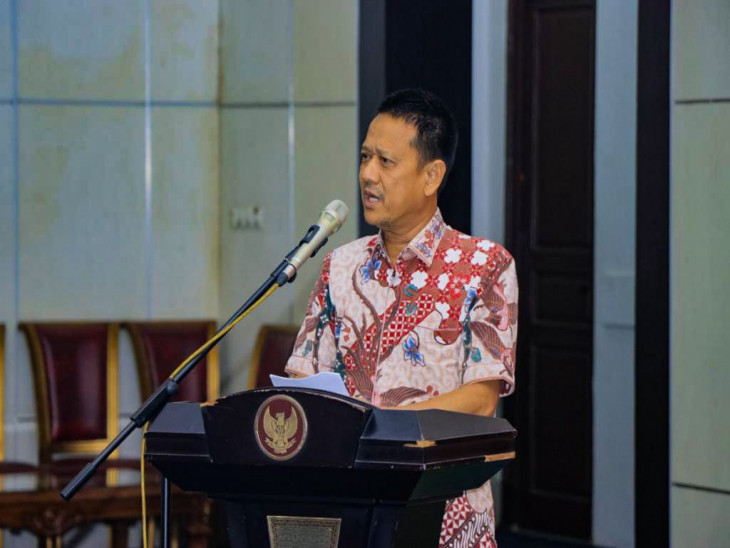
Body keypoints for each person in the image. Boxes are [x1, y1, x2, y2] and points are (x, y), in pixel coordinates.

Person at [286, 88, 518, 548]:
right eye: (365, 157)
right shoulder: (339, 267)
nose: (367, 174)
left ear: (432, 176)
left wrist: (381, 423)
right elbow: (302, 379)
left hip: (444, 511)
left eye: (386, 162)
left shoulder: (484, 266)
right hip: (348, 508)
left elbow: (480, 399)